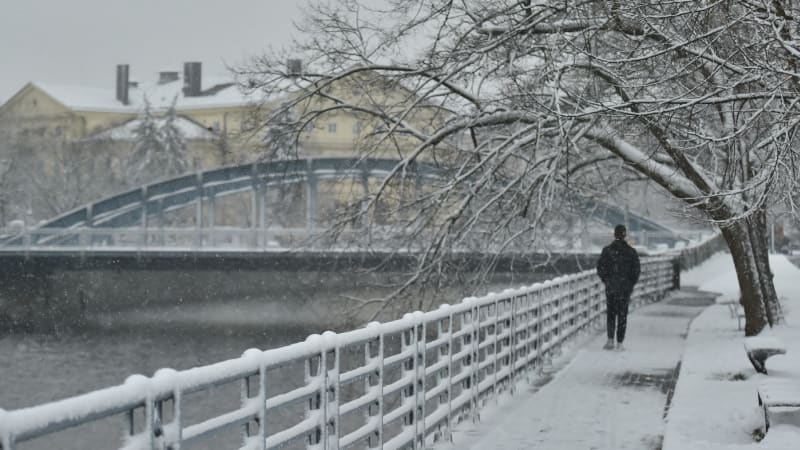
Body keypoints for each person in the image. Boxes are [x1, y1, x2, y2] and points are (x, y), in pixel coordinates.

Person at [596, 224, 640, 351]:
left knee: (611, 313)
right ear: (624, 235)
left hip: (611, 287)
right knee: (622, 314)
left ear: (614, 234)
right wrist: (630, 284)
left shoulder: (607, 251)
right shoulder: (631, 252)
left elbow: (600, 268)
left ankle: (610, 340)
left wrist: (607, 281)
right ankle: (620, 343)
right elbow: (636, 271)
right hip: (625, 288)